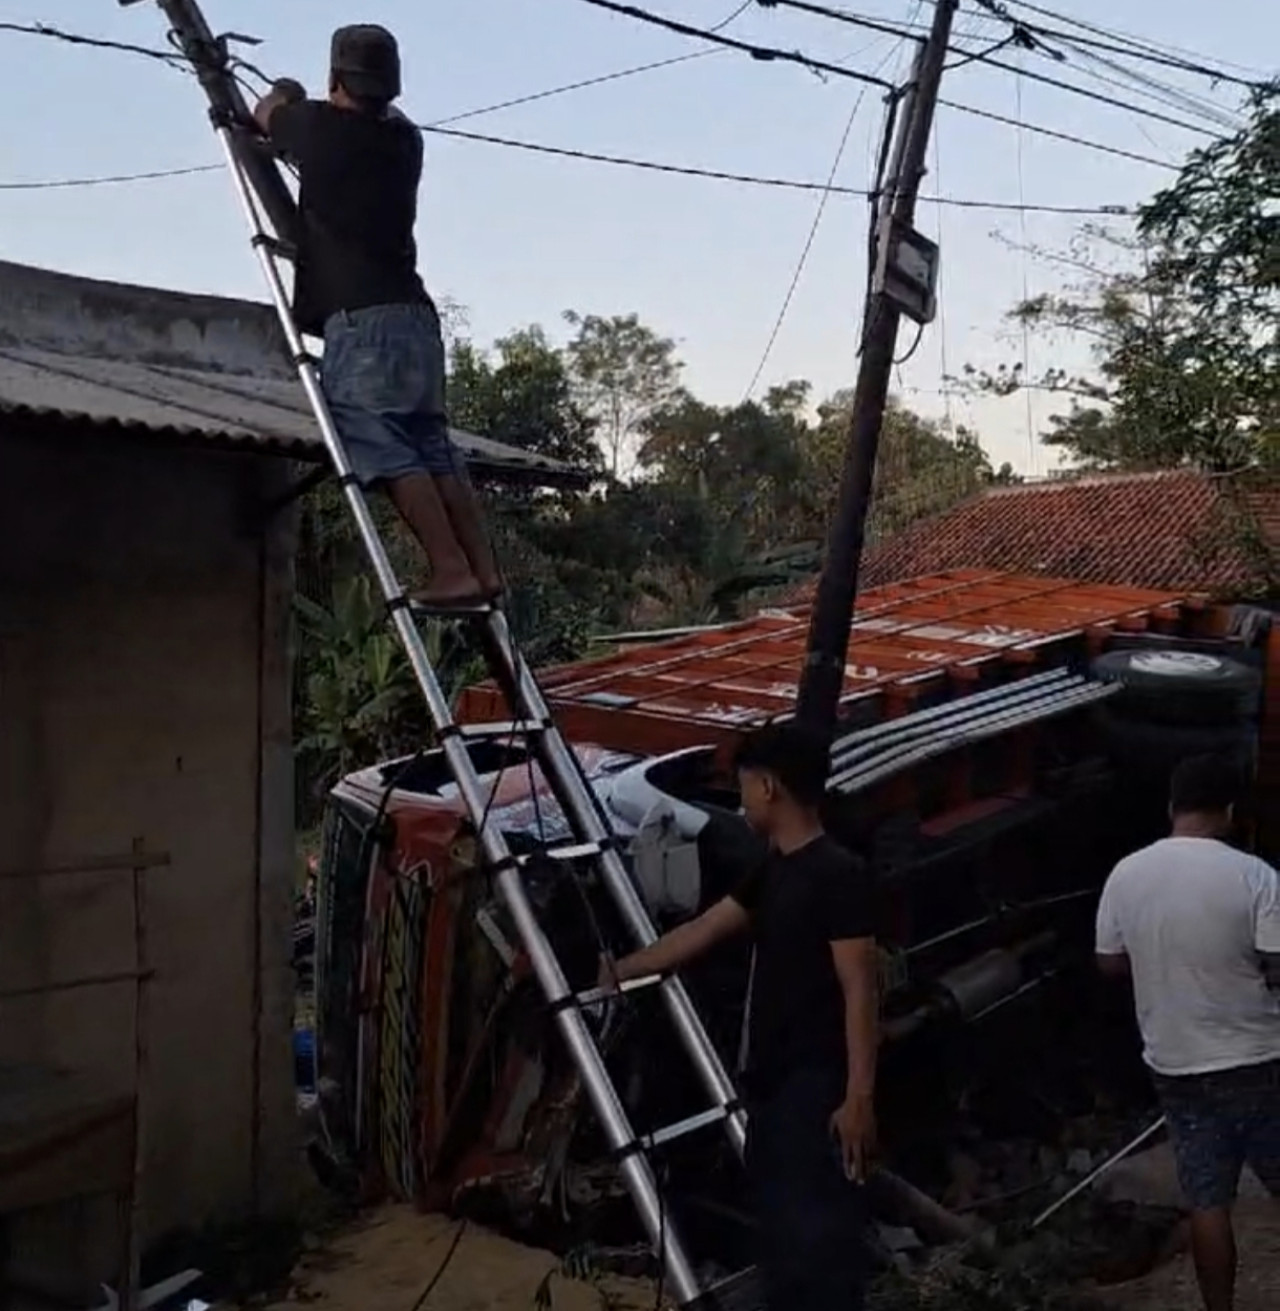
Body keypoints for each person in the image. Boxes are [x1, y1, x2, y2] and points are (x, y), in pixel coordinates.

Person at [602, 722, 879, 1310]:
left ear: (770, 787)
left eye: (747, 786)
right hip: (771, 1080)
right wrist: (623, 968)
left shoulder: (839, 874)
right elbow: (704, 930)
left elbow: (860, 987)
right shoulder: (772, 870)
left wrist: (858, 1096)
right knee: (780, 1224)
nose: (744, 800)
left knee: (817, 1235)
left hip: (817, 1082)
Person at [253, 26, 501, 608]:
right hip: (415, 317)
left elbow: (267, 113)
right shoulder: (406, 139)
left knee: (378, 439)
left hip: (363, 321)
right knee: (432, 448)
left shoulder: (321, 128)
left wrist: (284, 91)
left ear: (335, 80)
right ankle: (483, 571)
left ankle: (450, 569)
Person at [1096, 753, 1280, 1311]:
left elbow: (1108, 960)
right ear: (1230, 811)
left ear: (1172, 807)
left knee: (1208, 1200)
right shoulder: (1255, 875)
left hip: (1175, 1062)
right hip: (1257, 1057)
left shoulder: (1126, 873)